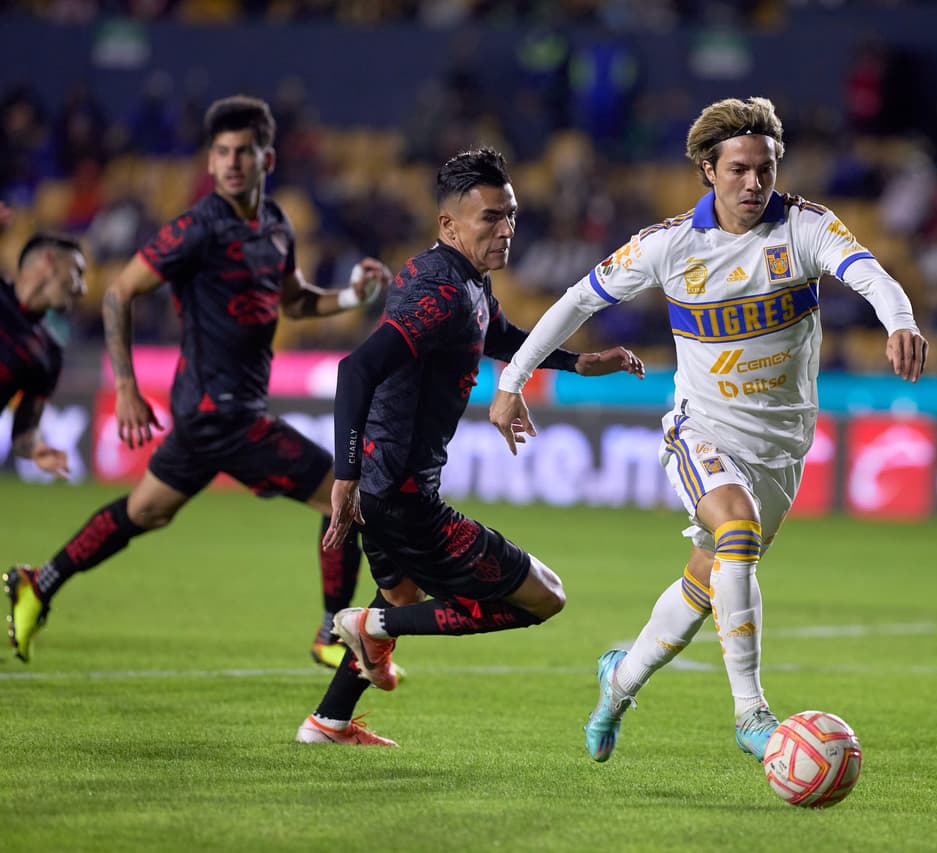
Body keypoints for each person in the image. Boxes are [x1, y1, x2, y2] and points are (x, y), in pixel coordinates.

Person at [489, 97, 929, 763]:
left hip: (781, 447)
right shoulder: (670, 244)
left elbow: (869, 273)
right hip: (703, 429)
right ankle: (751, 712)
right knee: (737, 529)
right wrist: (511, 379)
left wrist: (899, 319)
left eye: (765, 169)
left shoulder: (804, 227)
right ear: (707, 170)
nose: (754, 183)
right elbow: (580, 297)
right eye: (739, 170)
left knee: (706, 581)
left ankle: (620, 680)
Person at [5, 95, 390, 664]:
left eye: (244, 152)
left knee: (145, 511)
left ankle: (40, 582)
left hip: (221, 414)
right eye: (222, 153)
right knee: (342, 492)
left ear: (269, 159)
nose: (232, 162)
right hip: (221, 411)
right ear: (210, 163)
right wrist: (129, 388)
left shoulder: (278, 227)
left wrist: (353, 297)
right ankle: (332, 633)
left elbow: (296, 303)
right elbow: (120, 291)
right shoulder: (194, 229)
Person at [295, 147, 643, 746]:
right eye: (490, 217)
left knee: (402, 591)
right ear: (449, 225)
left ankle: (328, 722)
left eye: (510, 214)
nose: (506, 228)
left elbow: (501, 335)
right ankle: (368, 626)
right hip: (399, 495)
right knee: (542, 596)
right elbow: (356, 370)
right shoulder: (441, 292)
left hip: (388, 491)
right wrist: (346, 478)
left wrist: (580, 363)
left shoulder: (464, 281)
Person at [1, 228, 87, 480]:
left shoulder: (48, 354)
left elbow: (25, 430)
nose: (82, 288)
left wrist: (36, 448)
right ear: (50, 261)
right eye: (77, 273)